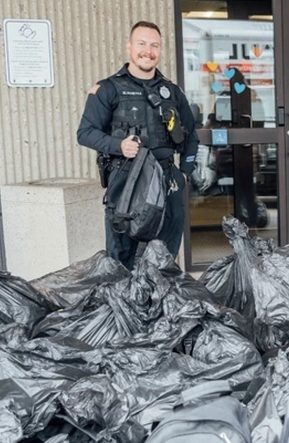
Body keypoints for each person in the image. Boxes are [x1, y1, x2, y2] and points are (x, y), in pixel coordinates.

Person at [77, 21, 198, 270]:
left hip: (168, 179)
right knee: (122, 260)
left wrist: (184, 174)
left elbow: (192, 137)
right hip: (125, 178)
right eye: (142, 43)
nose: (148, 50)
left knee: (164, 258)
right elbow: (85, 133)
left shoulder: (172, 92)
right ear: (129, 47)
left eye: (154, 45)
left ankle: (160, 305)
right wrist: (117, 145)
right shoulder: (107, 89)